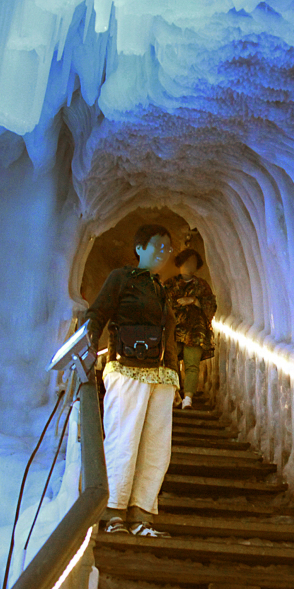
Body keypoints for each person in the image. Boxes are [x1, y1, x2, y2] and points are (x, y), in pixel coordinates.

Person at [84, 224, 179, 537]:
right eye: (157, 246)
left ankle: (141, 514)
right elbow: (97, 314)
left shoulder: (160, 288)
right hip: (127, 369)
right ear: (139, 248)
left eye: (168, 248)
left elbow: (169, 333)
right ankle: (112, 512)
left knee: (155, 447)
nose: (163, 253)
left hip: (161, 376)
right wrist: (87, 349)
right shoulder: (121, 278)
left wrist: (174, 375)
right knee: (123, 438)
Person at [163, 249, 217, 409]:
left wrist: (194, 301)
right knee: (171, 362)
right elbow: (161, 305)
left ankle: (188, 399)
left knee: (192, 364)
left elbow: (210, 305)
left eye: (193, 263)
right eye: (187, 263)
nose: (190, 266)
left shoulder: (202, 286)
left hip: (196, 331)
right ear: (180, 264)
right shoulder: (169, 284)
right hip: (174, 331)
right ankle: (175, 394)